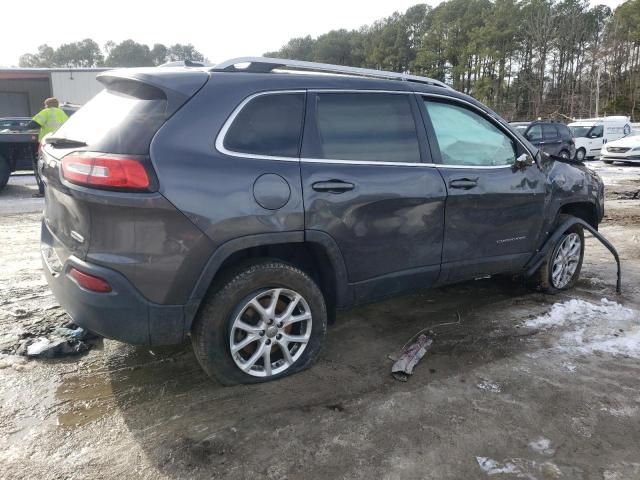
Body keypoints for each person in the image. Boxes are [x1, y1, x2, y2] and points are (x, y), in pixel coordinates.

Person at [28, 97, 68, 196]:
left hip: (47, 144)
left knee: (42, 168)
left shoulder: (46, 112)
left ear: (47, 104)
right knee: (57, 169)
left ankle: (43, 191)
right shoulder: (62, 113)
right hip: (61, 145)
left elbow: (32, 125)